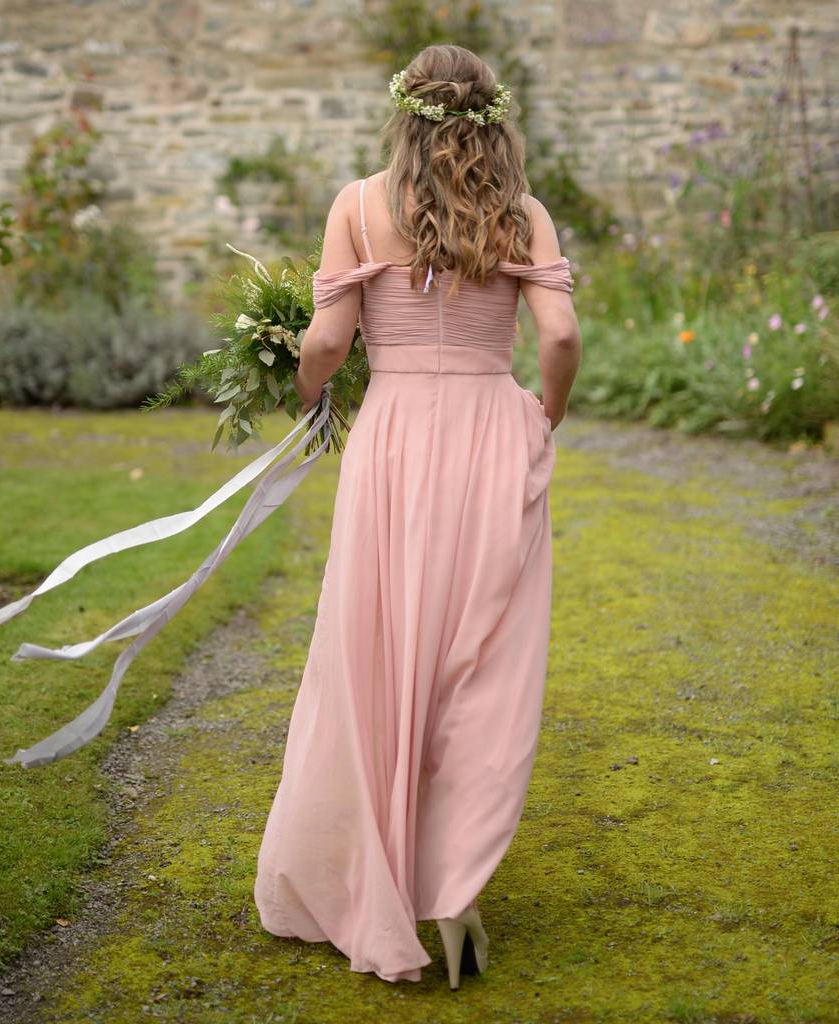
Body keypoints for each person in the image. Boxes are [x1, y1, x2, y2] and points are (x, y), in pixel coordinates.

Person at [252, 42, 582, 989]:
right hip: (488, 430)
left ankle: (382, 874)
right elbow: (557, 334)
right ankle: (451, 884)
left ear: (403, 115)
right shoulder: (521, 214)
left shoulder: (358, 207)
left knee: (380, 652)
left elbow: (324, 337)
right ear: (493, 119)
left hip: (393, 437)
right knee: (481, 653)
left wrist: (311, 394)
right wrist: (541, 413)